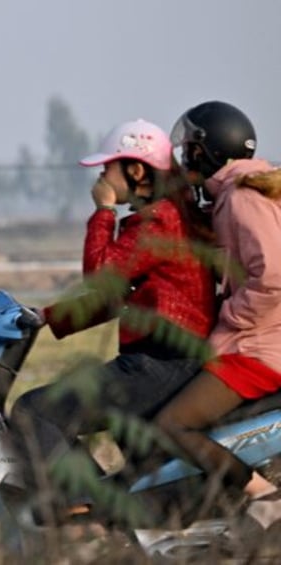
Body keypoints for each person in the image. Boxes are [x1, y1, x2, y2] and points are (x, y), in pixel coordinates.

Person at [10, 118, 217, 520]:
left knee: (35, 412)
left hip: (161, 364)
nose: (102, 177)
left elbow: (102, 279)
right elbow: (117, 295)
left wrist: (103, 211)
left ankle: (83, 515)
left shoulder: (160, 221)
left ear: (136, 170)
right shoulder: (167, 216)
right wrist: (45, 317)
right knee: (142, 476)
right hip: (164, 362)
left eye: (108, 168)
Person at [153, 100, 281, 529]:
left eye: (190, 150)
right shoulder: (240, 193)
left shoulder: (244, 199)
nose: (186, 158)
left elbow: (274, 274)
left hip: (257, 350)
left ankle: (263, 498)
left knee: (173, 425)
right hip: (259, 343)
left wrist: (233, 317)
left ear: (209, 152)